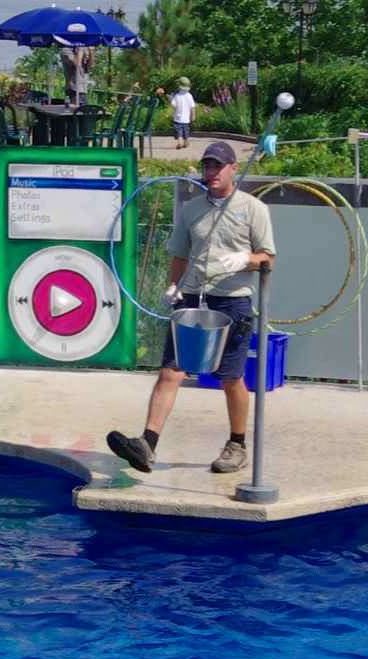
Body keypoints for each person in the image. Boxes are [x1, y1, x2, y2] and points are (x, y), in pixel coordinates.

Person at [107, 141, 276, 475]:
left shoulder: (253, 208)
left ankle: (237, 445)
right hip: (193, 298)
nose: (211, 173)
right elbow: (180, 255)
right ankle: (147, 444)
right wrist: (174, 286)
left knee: (231, 377)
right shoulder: (191, 209)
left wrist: (246, 259)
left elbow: (268, 257)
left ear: (233, 169)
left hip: (232, 300)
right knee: (171, 371)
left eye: (217, 166)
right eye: (207, 166)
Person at [170, 76, 195, 150]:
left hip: (178, 119)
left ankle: (180, 143)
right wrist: (193, 116)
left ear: (179, 86)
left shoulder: (177, 96)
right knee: (186, 132)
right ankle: (186, 142)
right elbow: (192, 107)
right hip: (186, 120)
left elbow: (174, 106)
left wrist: (170, 99)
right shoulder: (189, 96)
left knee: (179, 133)